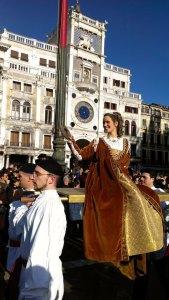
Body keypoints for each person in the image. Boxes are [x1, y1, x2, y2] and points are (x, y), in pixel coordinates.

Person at [61, 112, 163, 281]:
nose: (105, 124)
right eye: (104, 122)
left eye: (107, 122)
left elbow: (125, 165)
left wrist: (122, 176)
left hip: (122, 181)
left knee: (146, 197)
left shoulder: (126, 143)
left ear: (116, 123)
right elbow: (80, 156)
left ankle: (142, 242)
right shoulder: (98, 142)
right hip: (104, 183)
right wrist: (71, 140)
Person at [18, 157, 67, 300]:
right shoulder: (43, 199)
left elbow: (41, 252)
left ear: (51, 179)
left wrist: (32, 294)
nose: (32, 177)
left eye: (37, 174)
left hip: (39, 283)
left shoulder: (49, 206)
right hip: (30, 273)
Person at [6, 163, 36, 273]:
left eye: (20, 177)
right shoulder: (25, 194)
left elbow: (21, 225)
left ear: (30, 178)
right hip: (14, 247)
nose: (18, 179)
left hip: (21, 250)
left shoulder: (30, 194)